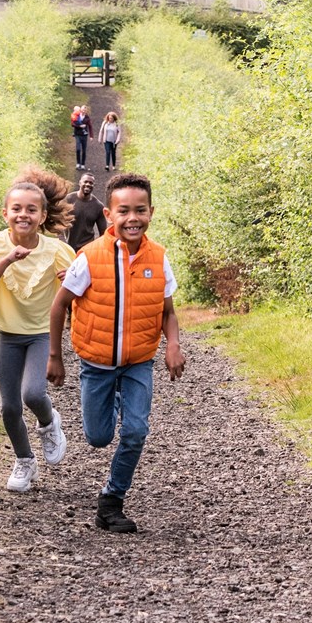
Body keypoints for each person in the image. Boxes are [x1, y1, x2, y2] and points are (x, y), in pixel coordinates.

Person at [47, 172, 185, 534]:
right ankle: (116, 401)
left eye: (140, 210)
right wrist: (55, 356)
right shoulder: (90, 258)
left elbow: (168, 312)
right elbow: (60, 306)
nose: (132, 218)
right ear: (108, 215)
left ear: (151, 212)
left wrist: (172, 345)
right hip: (97, 363)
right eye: (123, 211)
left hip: (139, 362)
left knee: (136, 431)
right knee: (97, 437)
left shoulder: (159, 258)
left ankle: (111, 500)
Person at [0, 167, 76, 493]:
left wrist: (69, 282)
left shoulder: (56, 251)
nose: (23, 215)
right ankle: (25, 461)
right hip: (8, 334)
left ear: (42, 216)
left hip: (42, 332)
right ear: (5, 213)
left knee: (33, 394)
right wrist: (6, 261)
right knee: (9, 406)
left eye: (31, 209)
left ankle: (48, 422)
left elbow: (78, 290)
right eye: (16, 209)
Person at [66, 172, 106, 251]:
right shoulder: (68, 200)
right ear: (80, 183)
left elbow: (103, 234)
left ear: (93, 185)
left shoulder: (98, 206)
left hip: (87, 249)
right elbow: (58, 222)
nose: (88, 184)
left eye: (91, 183)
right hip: (68, 247)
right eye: (85, 182)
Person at [71, 104, 93, 170]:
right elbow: (72, 124)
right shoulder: (77, 116)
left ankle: (83, 164)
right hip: (77, 134)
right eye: (82, 110)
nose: (83, 111)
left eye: (85, 110)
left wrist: (91, 136)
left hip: (84, 135)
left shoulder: (87, 118)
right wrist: (79, 126)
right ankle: (78, 163)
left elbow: (90, 126)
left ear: (86, 111)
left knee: (84, 150)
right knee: (78, 149)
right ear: (81, 110)